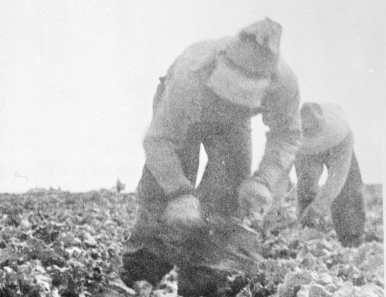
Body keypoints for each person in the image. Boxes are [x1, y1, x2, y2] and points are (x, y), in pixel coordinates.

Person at [121, 19, 301, 296]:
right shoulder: (190, 71)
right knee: (162, 201)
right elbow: (159, 140)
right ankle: (139, 280)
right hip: (185, 116)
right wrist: (179, 192)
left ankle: (202, 286)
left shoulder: (284, 83)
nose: (230, 99)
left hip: (234, 125)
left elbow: (287, 134)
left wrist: (263, 180)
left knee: (227, 202)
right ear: (219, 66)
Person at [295, 102, 365, 247]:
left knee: (348, 190)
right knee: (306, 188)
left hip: (339, 146)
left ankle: (351, 242)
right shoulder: (297, 139)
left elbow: (338, 178)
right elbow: (303, 183)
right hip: (307, 150)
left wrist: (317, 209)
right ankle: (307, 241)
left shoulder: (342, 134)